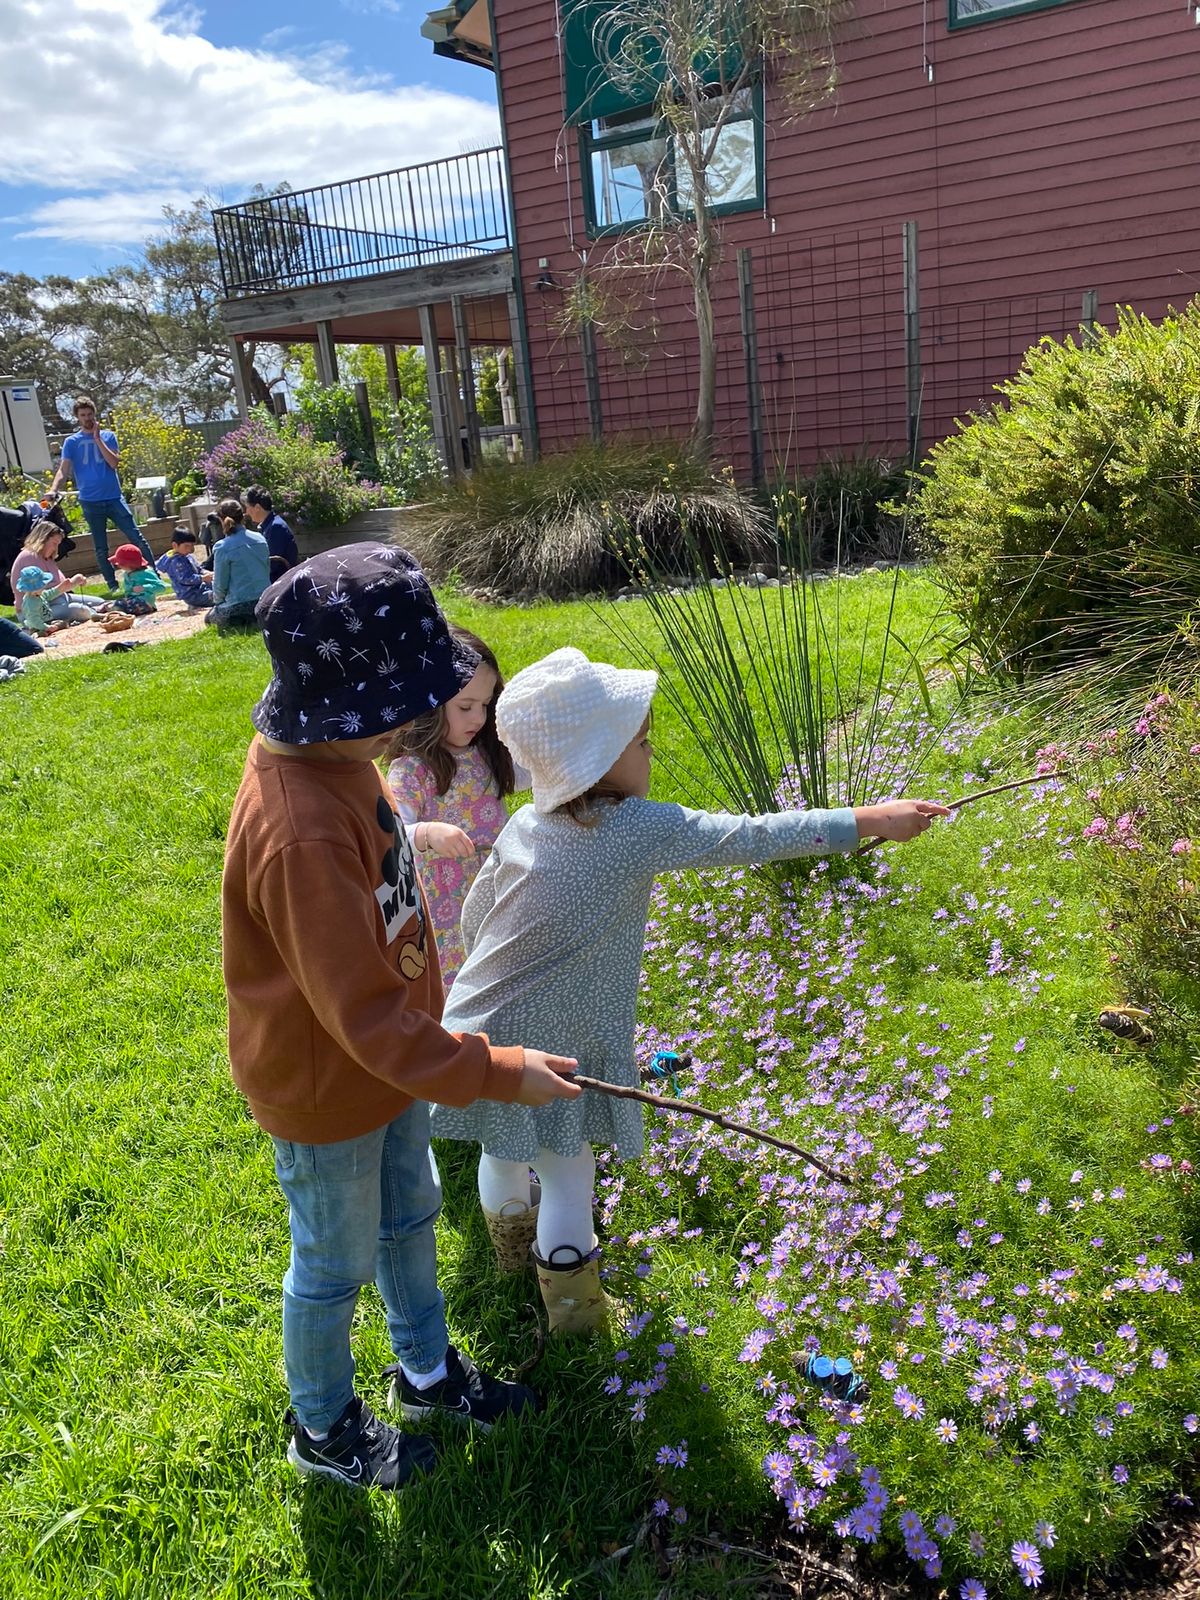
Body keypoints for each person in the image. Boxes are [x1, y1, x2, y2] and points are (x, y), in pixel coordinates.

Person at [430, 648, 951, 1330]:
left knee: (504, 1148)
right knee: (566, 1168)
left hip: (478, 1019)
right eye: (642, 743)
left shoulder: (527, 824)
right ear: (596, 758)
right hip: (558, 1040)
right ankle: (575, 1312)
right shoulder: (637, 829)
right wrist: (870, 820)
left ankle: (509, 1257)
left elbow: (476, 912)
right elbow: (751, 836)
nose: (652, 754)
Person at [221, 542, 581, 1492]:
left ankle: (426, 1374)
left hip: (387, 1069)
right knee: (334, 1262)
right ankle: (325, 1427)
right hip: (328, 1081)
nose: (412, 730)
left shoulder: (339, 764)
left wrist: (410, 834)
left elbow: (375, 870)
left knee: (411, 1215)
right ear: (349, 709)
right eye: (399, 713)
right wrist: (497, 1068)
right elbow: (364, 1018)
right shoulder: (299, 828)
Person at [384, 629, 526, 989]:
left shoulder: (485, 753)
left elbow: (533, 772)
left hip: (496, 887)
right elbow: (393, 830)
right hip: (443, 902)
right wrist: (429, 833)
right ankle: (458, 1040)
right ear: (431, 701)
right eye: (466, 706)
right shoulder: (412, 768)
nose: (478, 718)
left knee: (498, 970)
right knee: (454, 978)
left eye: (486, 705)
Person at [49, 396, 155, 592]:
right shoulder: (72, 442)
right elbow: (63, 470)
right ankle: (112, 585)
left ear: (95, 415)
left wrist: (97, 439)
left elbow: (114, 463)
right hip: (90, 500)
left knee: (136, 536)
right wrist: (54, 489)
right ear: (77, 418)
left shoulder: (108, 436)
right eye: (83, 415)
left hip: (114, 497)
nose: (87, 418)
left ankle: (153, 576)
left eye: (90, 414)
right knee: (100, 546)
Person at [9, 521, 109, 623]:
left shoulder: (47, 558)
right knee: (78, 609)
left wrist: (73, 582)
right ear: (42, 539)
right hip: (35, 611)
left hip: (59, 600)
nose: (55, 548)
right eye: (54, 544)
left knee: (100, 602)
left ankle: (101, 611)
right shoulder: (30, 557)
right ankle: (97, 614)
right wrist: (71, 583)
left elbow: (60, 584)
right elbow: (42, 593)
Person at [205, 498, 269, 633]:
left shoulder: (222, 547)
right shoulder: (260, 538)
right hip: (265, 601)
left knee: (208, 619)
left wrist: (218, 602)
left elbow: (220, 585)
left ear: (221, 520)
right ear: (242, 515)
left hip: (239, 606)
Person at [243, 485, 299, 580]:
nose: (246, 512)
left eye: (247, 507)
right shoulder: (269, 525)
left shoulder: (276, 527)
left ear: (257, 507)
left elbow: (272, 564)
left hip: (280, 584)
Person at [156, 527, 214, 610]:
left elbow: (198, 569)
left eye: (191, 545)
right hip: (191, 594)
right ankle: (197, 603)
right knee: (217, 596)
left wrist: (206, 572)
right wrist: (202, 578)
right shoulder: (175, 561)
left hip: (200, 587)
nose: (190, 549)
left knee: (220, 587)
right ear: (175, 545)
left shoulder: (187, 556)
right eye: (186, 546)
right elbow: (185, 579)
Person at [110, 545, 168, 615]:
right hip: (132, 601)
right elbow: (128, 592)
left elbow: (161, 587)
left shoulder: (146, 573)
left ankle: (120, 612)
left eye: (120, 563)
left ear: (129, 564)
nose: (118, 565)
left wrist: (144, 587)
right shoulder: (127, 574)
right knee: (118, 603)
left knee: (128, 606)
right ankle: (111, 612)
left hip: (146, 603)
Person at [13, 566, 63, 636]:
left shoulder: (39, 594)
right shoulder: (30, 603)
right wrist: (46, 627)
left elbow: (50, 593)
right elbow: (33, 620)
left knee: (62, 623)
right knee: (42, 632)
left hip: (47, 621)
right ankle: (38, 634)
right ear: (35, 589)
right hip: (37, 626)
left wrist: (61, 588)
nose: (44, 586)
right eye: (42, 585)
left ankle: (47, 630)